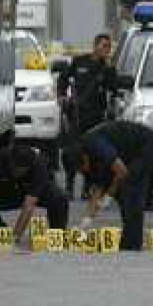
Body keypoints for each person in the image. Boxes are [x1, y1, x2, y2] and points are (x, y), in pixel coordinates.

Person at [63, 120, 153, 251]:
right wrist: (86, 222)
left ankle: (131, 245)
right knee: (124, 195)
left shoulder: (95, 144)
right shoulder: (89, 161)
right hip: (127, 155)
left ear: (84, 157)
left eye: (82, 168)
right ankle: (129, 241)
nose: (84, 171)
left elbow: (122, 171)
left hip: (146, 145)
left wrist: (110, 194)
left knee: (130, 190)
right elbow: (97, 190)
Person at [0, 135, 70, 249]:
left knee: (59, 197)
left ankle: (57, 235)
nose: (16, 173)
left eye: (21, 171)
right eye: (14, 169)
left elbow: (29, 205)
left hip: (29, 192)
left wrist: (16, 236)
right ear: (10, 161)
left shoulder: (38, 166)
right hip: (6, 192)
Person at [57, 33, 117, 199]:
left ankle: (87, 187)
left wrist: (110, 68)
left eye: (109, 47)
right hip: (77, 115)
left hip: (96, 117)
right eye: (104, 46)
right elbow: (63, 78)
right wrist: (61, 95)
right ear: (95, 46)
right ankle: (69, 186)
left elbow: (114, 88)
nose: (107, 49)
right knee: (71, 152)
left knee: (93, 154)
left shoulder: (107, 68)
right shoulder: (79, 61)